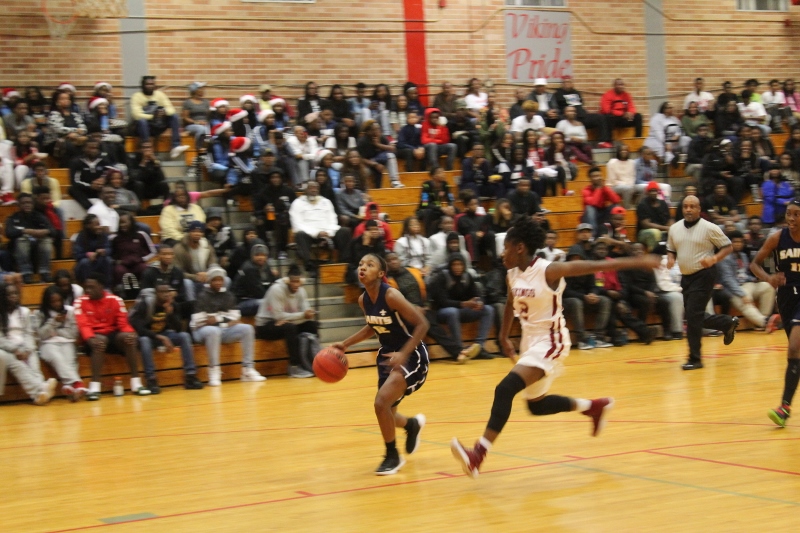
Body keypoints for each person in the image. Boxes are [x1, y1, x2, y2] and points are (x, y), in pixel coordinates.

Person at [450, 217, 662, 478]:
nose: (502, 253)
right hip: (530, 341)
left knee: (504, 389)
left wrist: (639, 261)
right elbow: (510, 302)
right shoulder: (511, 274)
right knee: (536, 405)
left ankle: (477, 455)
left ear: (520, 248)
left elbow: (594, 265)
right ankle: (593, 406)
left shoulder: (548, 271)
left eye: (506, 248)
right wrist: (503, 336)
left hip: (551, 340)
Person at [331, 253, 429, 475]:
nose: (363, 267)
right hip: (387, 357)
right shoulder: (363, 299)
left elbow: (423, 324)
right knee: (388, 413)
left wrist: (403, 354)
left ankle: (392, 457)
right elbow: (372, 326)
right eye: (360, 264)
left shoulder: (392, 295)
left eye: (370, 264)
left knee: (380, 403)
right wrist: (345, 344)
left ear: (381, 273)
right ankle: (412, 425)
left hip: (411, 354)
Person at [666, 196, 740, 370]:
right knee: (694, 316)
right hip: (686, 277)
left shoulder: (709, 228)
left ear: (699, 209)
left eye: (692, 206)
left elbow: (728, 246)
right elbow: (671, 248)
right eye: (685, 206)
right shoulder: (674, 228)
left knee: (693, 316)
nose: (688, 209)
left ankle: (695, 359)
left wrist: (714, 259)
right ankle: (726, 323)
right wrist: (670, 259)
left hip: (704, 275)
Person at [749, 200, 800, 426]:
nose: (792, 218)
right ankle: (785, 408)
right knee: (796, 354)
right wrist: (769, 278)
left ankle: (784, 407)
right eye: (789, 214)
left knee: (794, 347)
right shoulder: (777, 238)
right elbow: (754, 264)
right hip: (787, 297)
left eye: (797, 214)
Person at [74, 272, 150, 400]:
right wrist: (90, 339)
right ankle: (94, 387)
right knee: (100, 341)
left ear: (101, 287)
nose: (88, 290)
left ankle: (136, 383)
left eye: (91, 287)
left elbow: (123, 323)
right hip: (91, 338)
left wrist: (131, 334)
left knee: (128, 339)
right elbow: (83, 325)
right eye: (86, 287)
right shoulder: (80, 301)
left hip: (111, 335)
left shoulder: (115, 300)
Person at [190, 265, 265, 386]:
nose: (218, 282)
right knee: (213, 331)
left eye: (220, 279)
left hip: (223, 329)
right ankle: (214, 370)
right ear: (210, 281)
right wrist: (224, 318)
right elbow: (200, 320)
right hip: (201, 331)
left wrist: (217, 318)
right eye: (215, 280)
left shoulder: (228, 295)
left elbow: (235, 316)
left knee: (247, 328)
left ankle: (247, 369)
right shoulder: (202, 296)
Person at [129, 283, 204, 393]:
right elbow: (139, 328)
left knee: (184, 336)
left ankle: (190, 376)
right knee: (144, 341)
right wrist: (160, 337)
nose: (165, 294)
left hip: (164, 334)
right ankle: (151, 379)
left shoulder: (172, 304)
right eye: (162, 292)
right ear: (156, 293)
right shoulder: (146, 304)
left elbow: (179, 328)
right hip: (148, 336)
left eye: (167, 292)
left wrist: (170, 314)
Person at [428, 253, 495, 361]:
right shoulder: (442, 277)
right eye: (454, 264)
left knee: (488, 309)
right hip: (442, 312)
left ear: (464, 265)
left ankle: (478, 347)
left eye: (460, 264)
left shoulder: (467, 276)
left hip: (462, 310)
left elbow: (477, 294)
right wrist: (463, 304)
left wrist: (479, 302)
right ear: (450, 266)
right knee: (452, 312)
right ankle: (459, 350)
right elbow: (442, 302)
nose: (457, 267)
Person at [255, 264, 317, 379]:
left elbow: (306, 313)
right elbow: (278, 316)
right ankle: (294, 366)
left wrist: (307, 315)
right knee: (290, 327)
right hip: (265, 325)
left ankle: (315, 360)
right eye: (293, 281)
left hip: (285, 322)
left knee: (312, 325)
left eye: (298, 281)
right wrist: (302, 315)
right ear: (287, 281)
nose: (296, 284)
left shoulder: (301, 291)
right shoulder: (276, 289)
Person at [0, 283, 58, 405]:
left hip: (25, 346)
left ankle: (39, 395)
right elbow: (1, 338)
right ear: (3, 296)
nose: (13, 296)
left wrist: (28, 349)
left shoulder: (24, 311)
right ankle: (41, 388)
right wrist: (15, 349)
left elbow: (29, 333)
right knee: (19, 366)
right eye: (9, 294)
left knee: (34, 366)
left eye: (15, 293)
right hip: (8, 349)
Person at [717, 231, 779, 333]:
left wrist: (754, 279)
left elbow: (744, 274)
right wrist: (742, 294)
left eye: (740, 242)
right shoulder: (724, 258)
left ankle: (762, 321)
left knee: (768, 287)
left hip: (747, 284)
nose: (738, 244)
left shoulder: (743, 256)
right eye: (735, 242)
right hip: (733, 289)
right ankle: (765, 322)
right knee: (746, 300)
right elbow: (728, 280)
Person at [289, 180, 352, 276]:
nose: (314, 190)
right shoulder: (297, 203)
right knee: (300, 234)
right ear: (305, 190)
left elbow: (333, 220)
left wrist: (328, 233)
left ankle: (344, 263)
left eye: (316, 188)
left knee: (345, 231)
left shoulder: (326, 202)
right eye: (311, 188)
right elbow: (297, 224)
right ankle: (310, 267)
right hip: (309, 235)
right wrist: (316, 233)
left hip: (328, 233)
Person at [36, 285, 86, 401]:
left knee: (69, 360)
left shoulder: (70, 311)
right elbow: (41, 335)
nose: (57, 304)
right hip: (47, 344)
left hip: (67, 342)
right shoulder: (39, 313)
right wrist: (53, 321)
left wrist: (55, 331)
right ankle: (77, 383)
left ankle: (68, 387)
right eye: (53, 301)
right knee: (57, 358)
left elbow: (73, 333)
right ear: (47, 302)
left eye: (59, 300)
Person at [130, 76, 188, 160]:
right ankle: (148, 149)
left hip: (158, 124)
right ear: (142, 85)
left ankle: (175, 146)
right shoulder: (136, 96)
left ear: (155, 85)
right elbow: (136, 115)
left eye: (152, 84)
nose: (150, 86)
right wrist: (153, 116)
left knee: (174, 116)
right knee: (142, 121)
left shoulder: (160, 95)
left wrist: (164, 112)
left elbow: (171, 109)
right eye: (147, 84)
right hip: (144, 126)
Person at [5, 193, 54, 284]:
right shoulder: (13, 217)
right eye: (24, 203)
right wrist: (25, 231)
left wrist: (44, 231)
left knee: (46, 240)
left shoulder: (39, 216)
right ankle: (26, 273)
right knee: (22, 239)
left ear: (33, 204)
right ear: (19, 205)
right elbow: (9, 233)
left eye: (29, 202)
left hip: (37, 250)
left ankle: (45, 272)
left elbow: (53, 231)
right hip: (18, 251)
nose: (27, 205)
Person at [110, 211, 156, 292]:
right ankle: (121, 292)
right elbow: (110, 255)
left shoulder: (141, 235)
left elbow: (153, 251)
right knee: (118, 270)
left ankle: (145, 290)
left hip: (138, 263)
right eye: (120, 223)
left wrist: (142, 259)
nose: (122, 225)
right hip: (123, 265)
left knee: (144, 269)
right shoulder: (115, 238)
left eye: (124, 222)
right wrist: (115, 261)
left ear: (131, 222)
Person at [174, 221, 219, 301]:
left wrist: (208, 274)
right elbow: (178, 272)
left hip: (206, 276)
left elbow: (213, 263)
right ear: (189, 232)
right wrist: (195, 277)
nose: (197, 234)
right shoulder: (179, 248)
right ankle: (192, 305)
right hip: (189, 278)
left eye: (200, 232)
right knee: (187, 283)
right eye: (194, 231)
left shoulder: (207, 246)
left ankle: (218, 303)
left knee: (226, 280)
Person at [233, 243, 277, 316]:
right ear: (252, 256)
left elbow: (272, 282)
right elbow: (258, 293)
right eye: (257, 255)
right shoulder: (249, 269)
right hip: (242, 302)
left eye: (263, 255)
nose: (261, 257)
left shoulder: (265, 266)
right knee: (267, 302)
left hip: (255, 298)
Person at [636, 182, 674, 252]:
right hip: (644, 232)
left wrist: (672, 227)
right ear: (647, 192)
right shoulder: (642, 205)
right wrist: (665, 228)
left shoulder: (663, 203)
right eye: (651, 191)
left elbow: (669, 219)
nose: (653, 193)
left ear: (658, 192)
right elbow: (646, 224)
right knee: (655, 232)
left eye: (655, 191)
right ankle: (654, 254)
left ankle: (671, 254)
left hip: (663, 230)